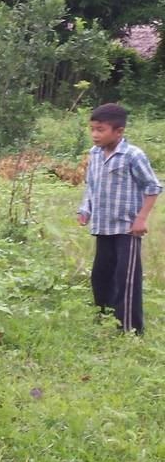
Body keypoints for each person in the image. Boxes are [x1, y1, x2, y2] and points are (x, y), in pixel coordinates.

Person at [77, 103, 160, 335]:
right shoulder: (94, 154)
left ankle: (130, 328)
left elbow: (152, 187)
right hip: (103, 226)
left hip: (127, 228)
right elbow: (91, 187)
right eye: (92, 129)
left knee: (127, 278)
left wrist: (141, 219)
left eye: (101, 130)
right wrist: (85, 209)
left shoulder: (133, 155)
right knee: (101, 275)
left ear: (118, 131)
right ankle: (105, 317)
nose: (95, 134)